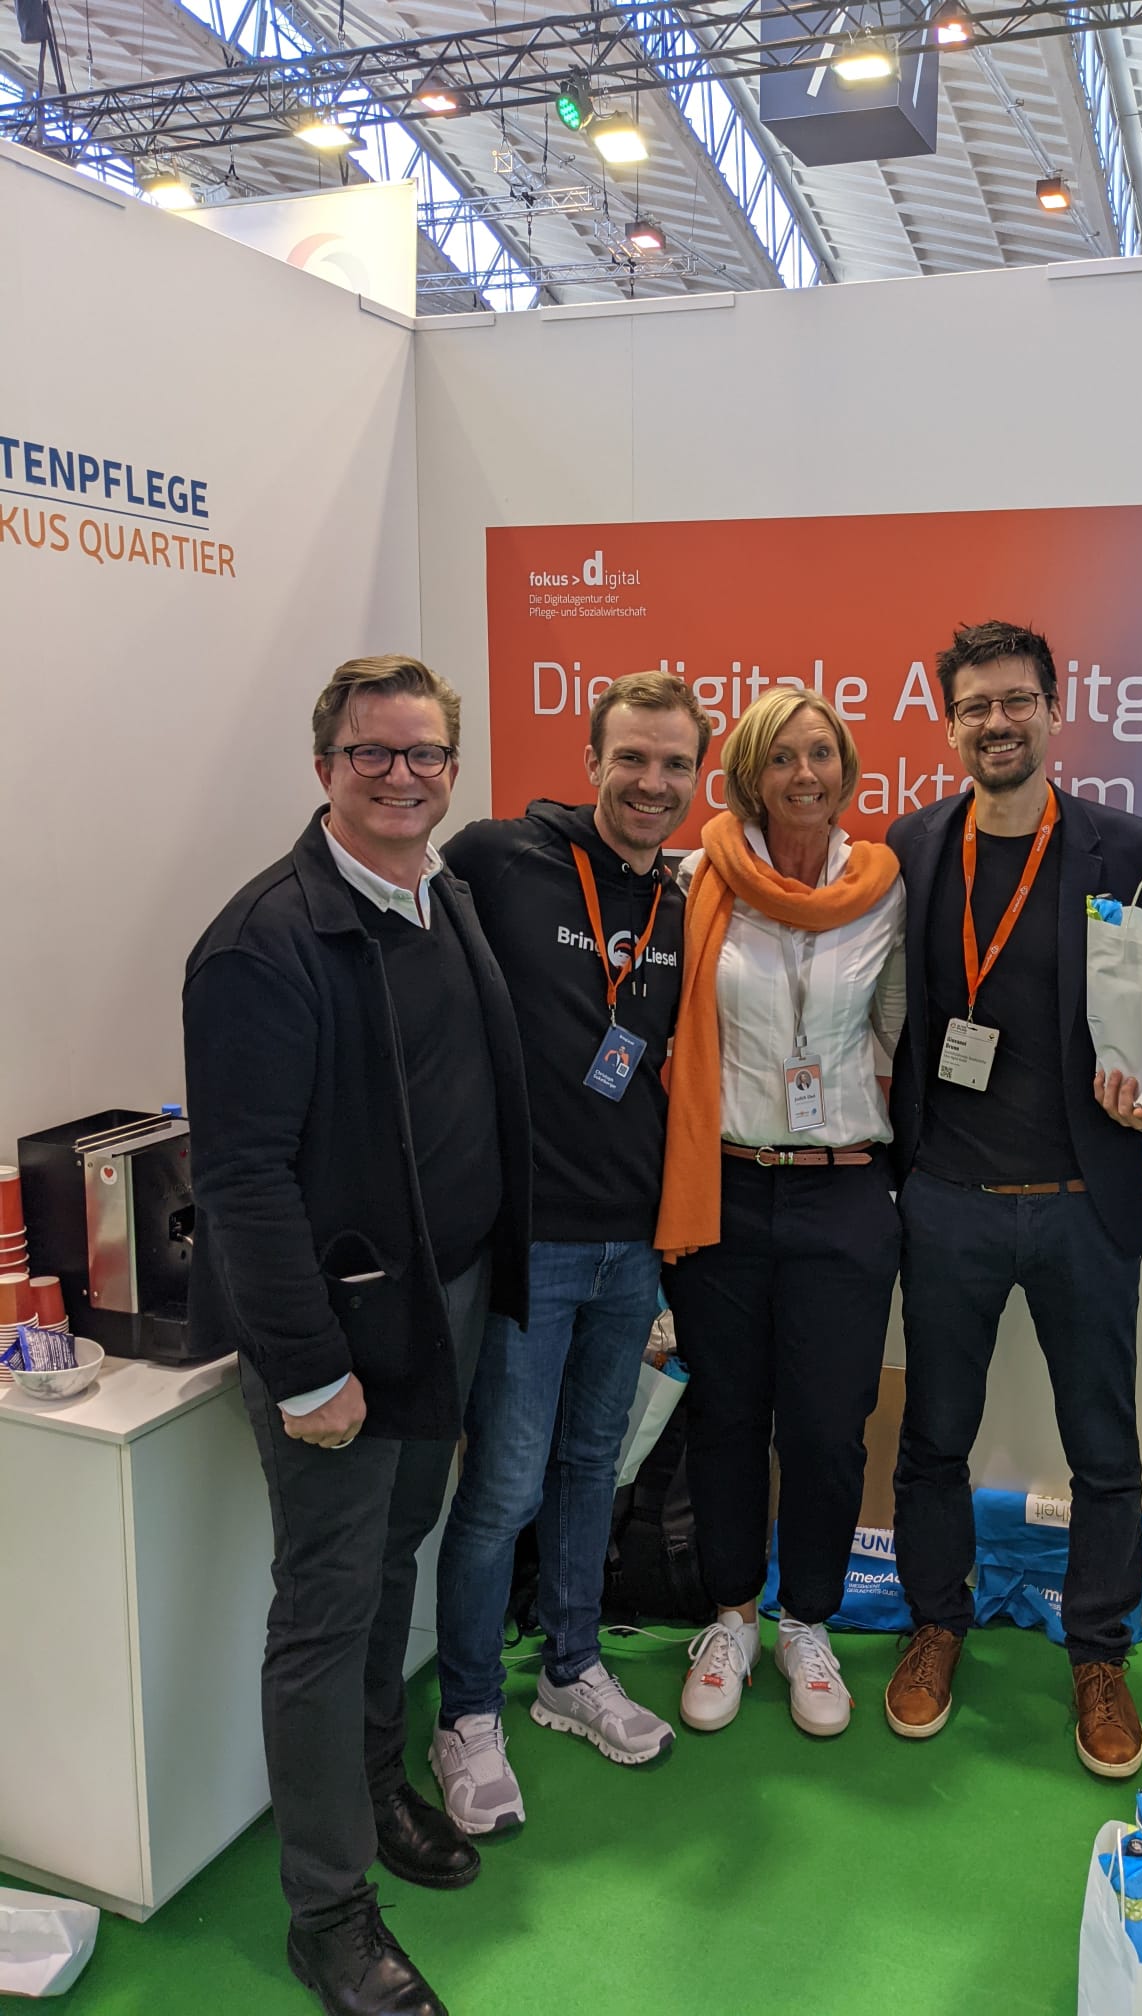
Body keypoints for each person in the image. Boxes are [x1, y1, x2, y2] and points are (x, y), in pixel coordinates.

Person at [183, 656, 532, 2016]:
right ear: (324, 765)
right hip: (340, 1335)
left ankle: (378, 1784)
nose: (401, 775)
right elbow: (242, 1180)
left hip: (440, 1307)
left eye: (425, 752)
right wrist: (308, 1365)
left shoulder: (439, 898)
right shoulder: (262, 944)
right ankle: (327, 1913)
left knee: (394, 1559)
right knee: (326, 1611)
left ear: (452, 768)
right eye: (373, 752)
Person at [883, 620, 1142, 1780]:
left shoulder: (1130, 848)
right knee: (933, 1437)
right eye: (974, 707)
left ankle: (1099, 1654)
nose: (996, 722)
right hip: (946, 1199)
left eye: (1016, 701)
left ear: (1055, 709)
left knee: (1103, 1445)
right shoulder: (909, 847)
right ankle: (935, 1625)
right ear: (949, 723)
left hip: (1081, 1201)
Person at [430, 672, 711, 1831]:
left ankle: (571, 1669)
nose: (652, 783)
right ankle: (465, 1711)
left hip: (630, 1244)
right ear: (592, 759)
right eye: (631, 758)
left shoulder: (683, 901)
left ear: (697, 779)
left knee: (595, 1467)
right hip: (531, 1242)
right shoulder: (499, 861)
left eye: (676, 765)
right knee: (503, 1483)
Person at [657, 687, 905, 1738]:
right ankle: (731, 1617)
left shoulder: (885, 889)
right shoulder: (696, 881)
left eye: (823, 754)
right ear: (749, 775)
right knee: (725, 1416)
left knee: (828, 1427)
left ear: (846, 769)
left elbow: (904, 1030)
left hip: (843, 1188)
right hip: (722, 1184)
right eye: (782, 757)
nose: (806, 774)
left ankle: (807, 1620)